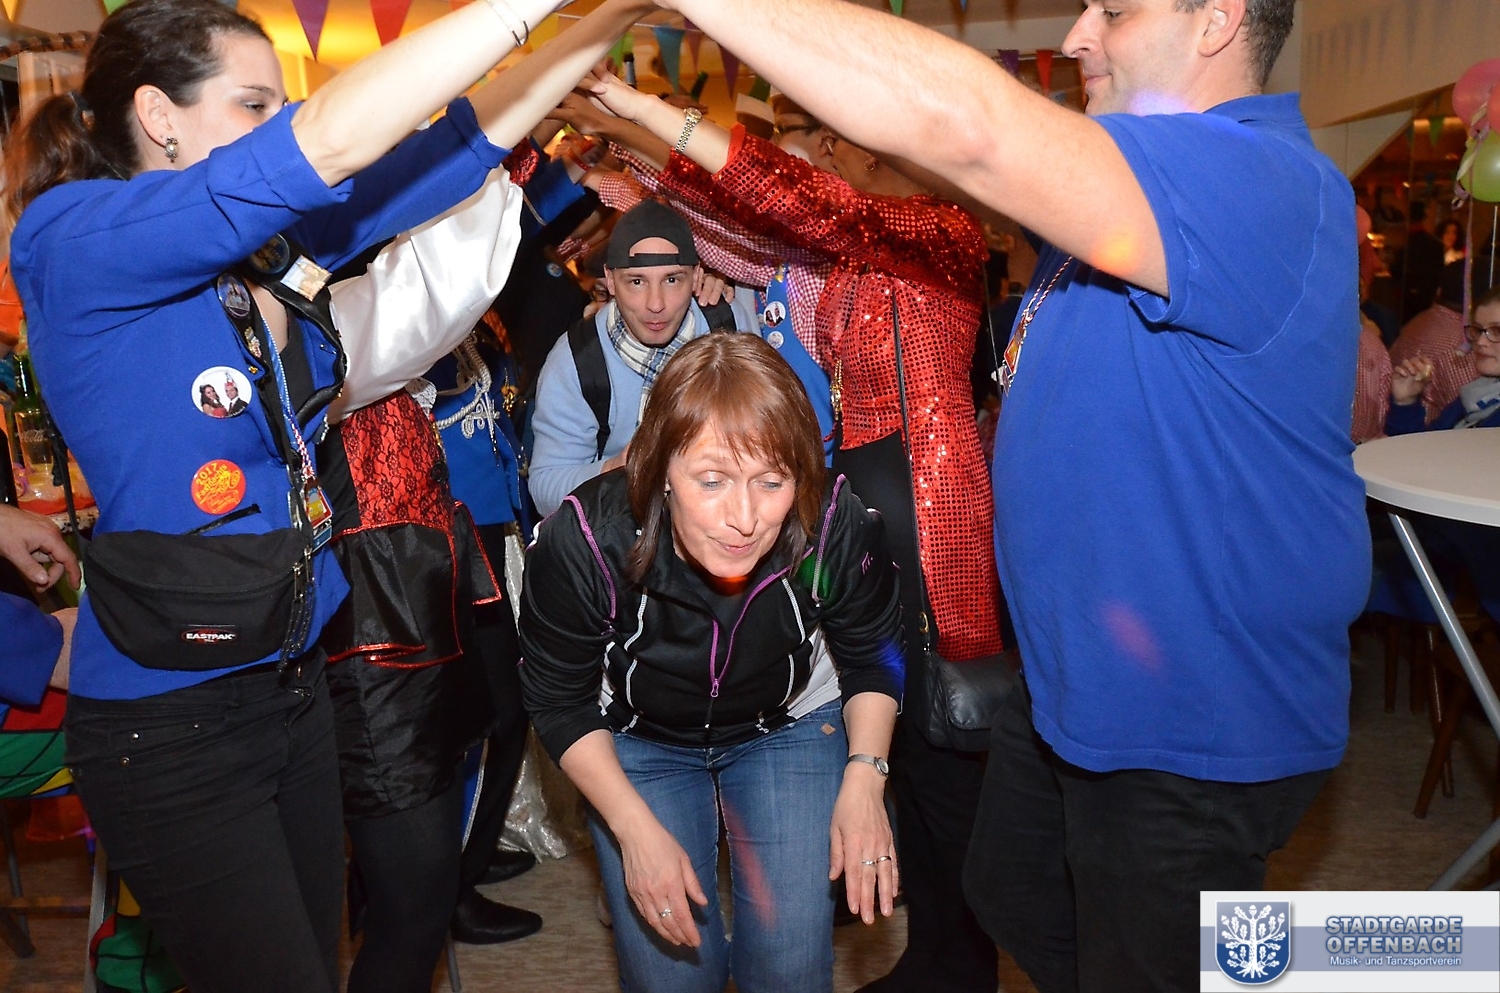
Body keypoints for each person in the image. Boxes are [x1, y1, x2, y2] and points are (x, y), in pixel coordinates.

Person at [647, 1, 1370, 991]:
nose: (1077, 36)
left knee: (1139, 953)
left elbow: (970, 131)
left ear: (1216, 20)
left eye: (1115, 9)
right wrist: (651, 121)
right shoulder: (1140, 191)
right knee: (1011, 886)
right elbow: (888, 177)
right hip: (1079, 677)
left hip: (1188, 713)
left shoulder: (1248, 174)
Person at [0, 0, 633, 988]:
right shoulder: (72, 236)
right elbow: (327, 143)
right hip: (173, 714)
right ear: (159, 116)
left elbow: (453, 151)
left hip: (291, 682)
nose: (279, 123)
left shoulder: (254, 252)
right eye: (253, 104)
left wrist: (600, 23)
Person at [580, 68, 1004, 992]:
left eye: (848, 137)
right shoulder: (850, 253)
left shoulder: (943, 229)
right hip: (864, 491)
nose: (835, 150)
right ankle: (934, 953)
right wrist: (637, 155)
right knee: (889, 724)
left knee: (948, 745)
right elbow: (741, 229)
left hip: (935, 503)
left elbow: (801, 201)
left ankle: (968, 961)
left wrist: (655, 119)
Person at [519, 331, 903, 993]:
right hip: (638, 741)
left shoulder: (830, 522)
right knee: (673, 973)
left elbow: (874, 656)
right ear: (660, 468)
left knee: (789, 965)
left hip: (786, 726)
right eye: (712, 480)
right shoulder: (586, 541)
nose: (744, 518)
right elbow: (558, 700)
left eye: (771, 481)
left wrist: (867, 778)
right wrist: (631, 829)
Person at [527, 198, 755, 517]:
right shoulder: (578, 360)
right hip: (623, 528)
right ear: (610, 280)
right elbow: (545, 490)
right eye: (636, 282)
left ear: (696, 277)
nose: (655, 304)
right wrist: (619, 469)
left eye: (672, 280)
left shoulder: (727, 325)